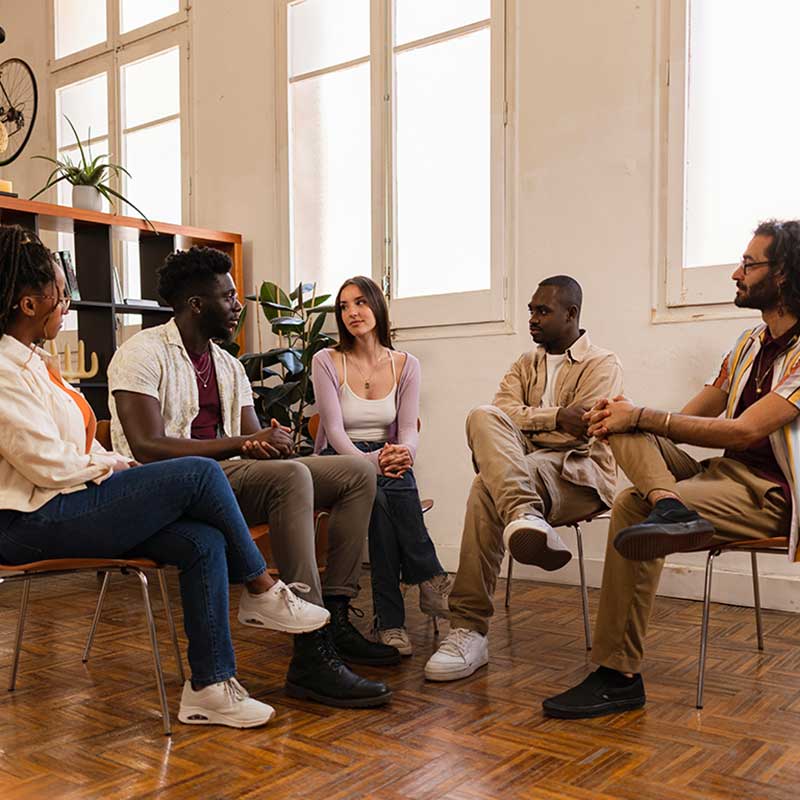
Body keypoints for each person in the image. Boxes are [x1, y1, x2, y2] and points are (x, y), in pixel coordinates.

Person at [0, 224, 332, 728]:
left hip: (64, 500)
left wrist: (108, 463)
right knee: (200, 473)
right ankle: (262, 590)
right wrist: (113, 464)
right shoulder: (4, 370)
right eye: (60, 292)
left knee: (202, 540)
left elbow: (79, 443)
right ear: (28, 304)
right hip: (28, 521)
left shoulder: (38, 364)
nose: (66, 301)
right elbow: (44, 461)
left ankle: (210, 687)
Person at [108, 247, 397, 710]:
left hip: (228, 479)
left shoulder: (226, 364)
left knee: (356, 471)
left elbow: (248, 436)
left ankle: (334, 614)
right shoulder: (140, 354)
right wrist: (242, 445)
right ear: (197, 304)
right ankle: (311, 652)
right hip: (165, 489)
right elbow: (147, 445)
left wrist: (269, 440)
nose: (238, 305)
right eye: (228, 297)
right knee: (289, 479)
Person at [543, 220, 800, 719]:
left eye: (748, 265)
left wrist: (641, 417)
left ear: (785, 273)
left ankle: (617, 676)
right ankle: (670, 505)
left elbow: (746, 431)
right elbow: (687, 418)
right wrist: (623, 417)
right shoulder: (749, 342)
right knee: (620, 418)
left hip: (771, 494)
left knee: (628, 497)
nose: (736, 274)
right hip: (722, 478)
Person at [424, 276, 623, 681]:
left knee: (487, 484)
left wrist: (530, 428)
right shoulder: (524, 362)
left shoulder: (602, 363)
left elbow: (581, 431)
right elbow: (501, 413)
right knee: (481, 416)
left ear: (571, 314)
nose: (532, 319)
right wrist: (553, 417)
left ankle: (469, 628)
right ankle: (524, 515)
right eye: (531, 310)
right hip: (528, 473)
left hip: (579, 476)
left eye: (542, 311)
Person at [311, 276, 451, 656]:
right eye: (343, 306)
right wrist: (372, 462)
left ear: (377, 305)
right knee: (383, 482)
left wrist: (405, 452)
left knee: (383, 502)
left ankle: (391, 625)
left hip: (384, 459)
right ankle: (428, 578)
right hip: (338, 461)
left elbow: (408, 429)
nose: (352, 312)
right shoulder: (326, 360)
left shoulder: (406, 365)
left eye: (360, 303)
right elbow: (335, 433)